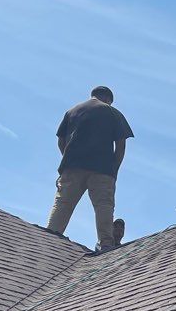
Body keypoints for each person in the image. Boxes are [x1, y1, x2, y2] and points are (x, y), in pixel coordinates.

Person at [46, 86, 133, 251]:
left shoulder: (73, 111)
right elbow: (121, 145)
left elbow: (61, 140)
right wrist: (113, 170)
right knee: (104, 206)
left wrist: (68, 159)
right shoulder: (113, 113)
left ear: (92, 96)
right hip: (102, 169)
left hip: (72, 167)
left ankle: (50, 235)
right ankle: (106, 243)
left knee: (63, 203)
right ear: (108, 100)